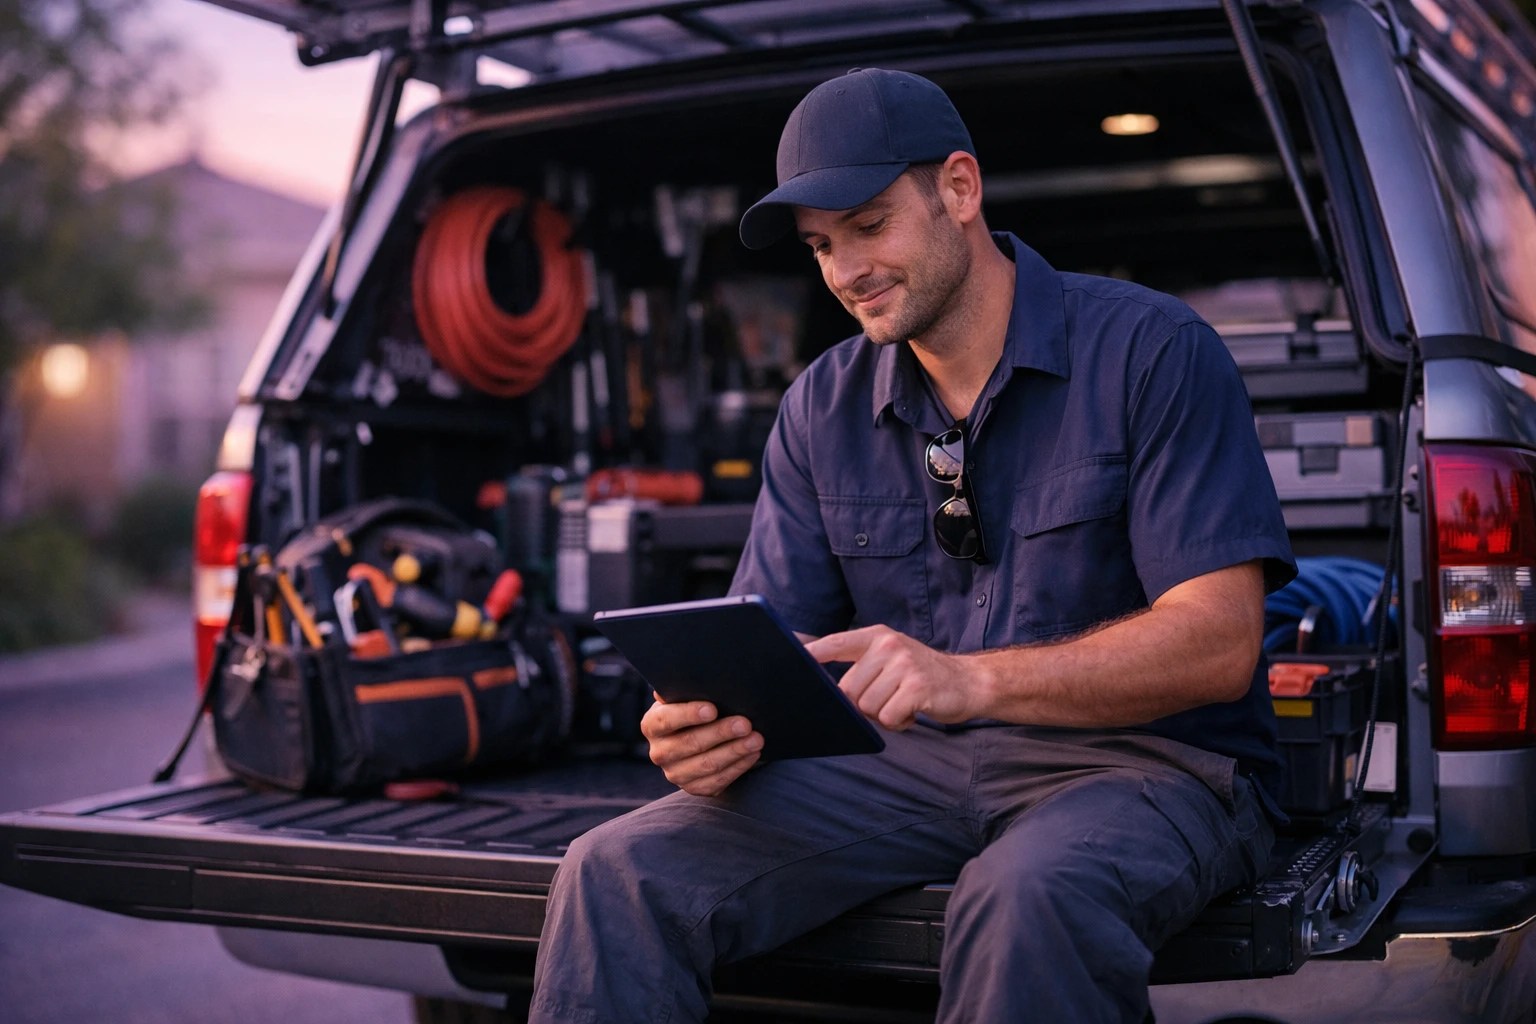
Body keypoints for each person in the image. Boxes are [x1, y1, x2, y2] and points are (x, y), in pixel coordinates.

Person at [530, 67, 1295, 1023]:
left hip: (1148, 768)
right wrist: (702, 730)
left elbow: (1219, 643)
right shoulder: (820, 404)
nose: (845, 270)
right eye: (820, 246)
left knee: (1023, 900)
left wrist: (969, 678)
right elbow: (774, 652)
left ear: (960, 190)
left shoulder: (1155, 352)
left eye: (869, 224)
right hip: (907, 770)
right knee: (614, 868)